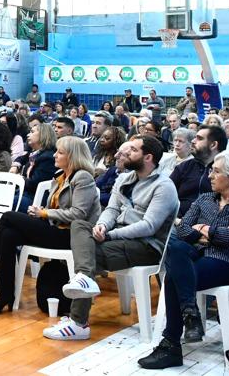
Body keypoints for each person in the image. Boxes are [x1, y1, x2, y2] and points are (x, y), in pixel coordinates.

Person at [139, 150, 229, 369]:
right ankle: (190, 314)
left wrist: (204, 230)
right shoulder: (204, 199)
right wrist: (215, 234)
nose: (209, 176)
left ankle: (171, 344)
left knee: (173, 278)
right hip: (194, 256)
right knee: (176, 247)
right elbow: (182, 229)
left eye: (216, 171)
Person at [50, 136, 179, 341]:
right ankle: (82, 290)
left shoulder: (164, 186)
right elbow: (111, 209)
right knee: (79, 225)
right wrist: (102, 225)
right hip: (118, 238)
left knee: (87, 255)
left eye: (133, 150)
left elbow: (149, 226)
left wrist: (110, 234)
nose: (126, 152)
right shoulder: (124, 179)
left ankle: (78, 322)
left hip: (147, 246)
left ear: (148, 157)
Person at [0, 136, 100, 314]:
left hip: (72, 236)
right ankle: (5, 295)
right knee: (8, 235)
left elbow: (79, 213)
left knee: (8, 216)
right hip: (56, 229)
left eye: (60, 152)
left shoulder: (83, 177)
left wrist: (45, 213)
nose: (55, 155)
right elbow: (58, 208)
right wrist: (42, 210)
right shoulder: (61, 176)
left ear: (73, 156)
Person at [170, 125, 225, 215]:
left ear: (213, 145)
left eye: (199, 139)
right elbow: (165, 192)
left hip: (212, 224)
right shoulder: (185, 166)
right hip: (178, 220)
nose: (192, 141)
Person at [13, 121, 58, 210]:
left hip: (35, 200)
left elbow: (34, 184)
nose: (28, 135)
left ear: (43, 135)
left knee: (1, 198)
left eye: (32, 132)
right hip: (23, 193)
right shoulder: (35, 153)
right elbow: (21, 158)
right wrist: (15, 166)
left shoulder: (48, 158)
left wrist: (17, 178)